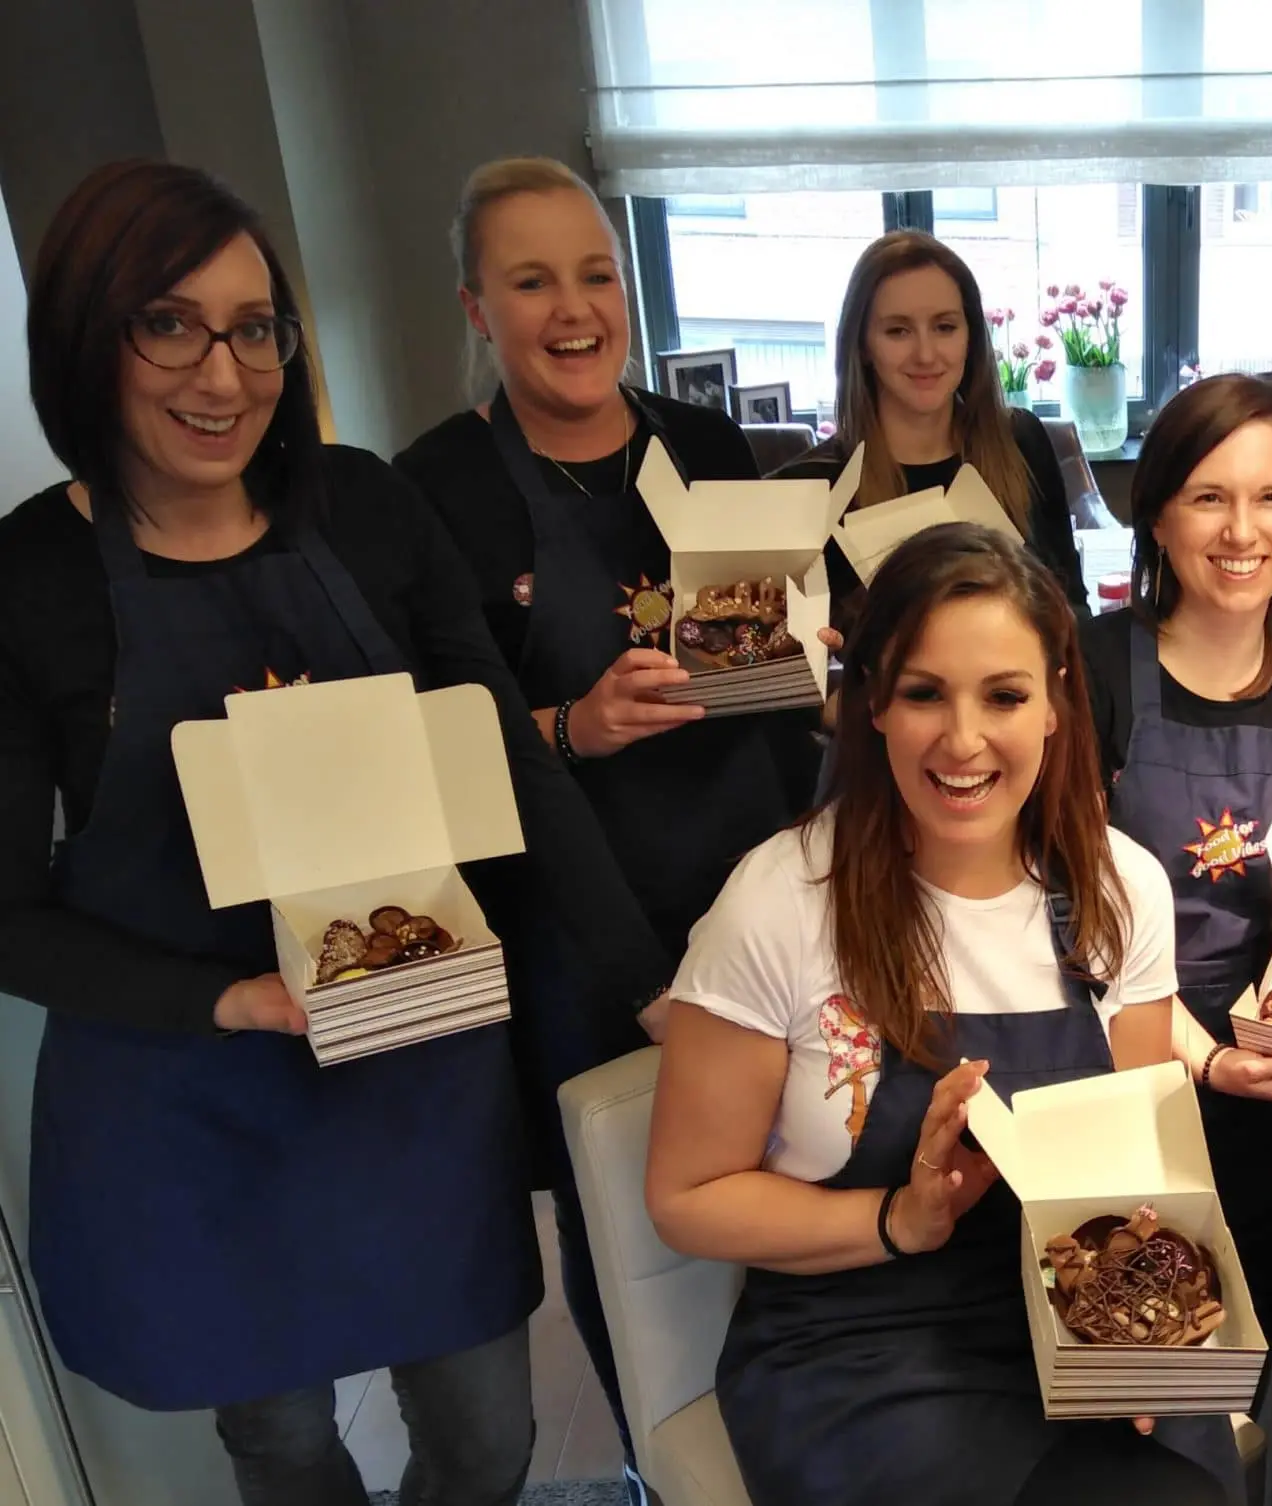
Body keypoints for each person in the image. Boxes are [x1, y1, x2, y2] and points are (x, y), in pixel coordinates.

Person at [0, 161, 675, 1504]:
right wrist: (233, 1000)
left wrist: (648, 981)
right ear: (85, 334)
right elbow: (6, 914)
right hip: (196, 1097)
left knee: (487, 1435)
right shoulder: (29, 582)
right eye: (169, 324)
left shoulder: (364, 508)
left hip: (412, 1065)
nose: (225, 373)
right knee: (286, 1444)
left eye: (254, 328)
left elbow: (506, 755)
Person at [646, 523, 1246, 1506]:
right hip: (858, 1337)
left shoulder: (1119, 888)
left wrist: (1146, 1342)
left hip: (1079, 1301)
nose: (963, 741)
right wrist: (899, 1218)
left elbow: (1135, 1169)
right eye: (924, 693)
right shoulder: (780, 899)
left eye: (1003, 696)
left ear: (1054, 703)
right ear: (873, 702)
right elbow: (687, 1195)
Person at [391, 156, 819, 1496]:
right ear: (477, 306)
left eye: (595, 275)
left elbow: (774, 670)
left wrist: (814, 661)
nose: (573, 310)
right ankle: (657, 1463)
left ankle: (797, 1443)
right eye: (531, 282)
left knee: (795, 1163)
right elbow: (429, 753)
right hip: (581, 925)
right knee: (623, 1214)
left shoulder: (706, 445)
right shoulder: (434, 489)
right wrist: (570, 725)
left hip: (754, 887)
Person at [1080, 374, 1272, 1333]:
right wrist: (1206, 1059)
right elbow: (1068, 909)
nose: (1242, 531)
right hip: (1130, 1056)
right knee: (1142, 1314)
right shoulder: (1090, 671)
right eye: (1209, 496)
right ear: (1158, 515)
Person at [775, 230, 1089, 621]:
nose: (925, 354)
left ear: (970, 337)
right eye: (898, 331)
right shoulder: (810, 487)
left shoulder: (1021, 441)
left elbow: (1074, 605)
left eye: (945, 327)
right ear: (863, 346)